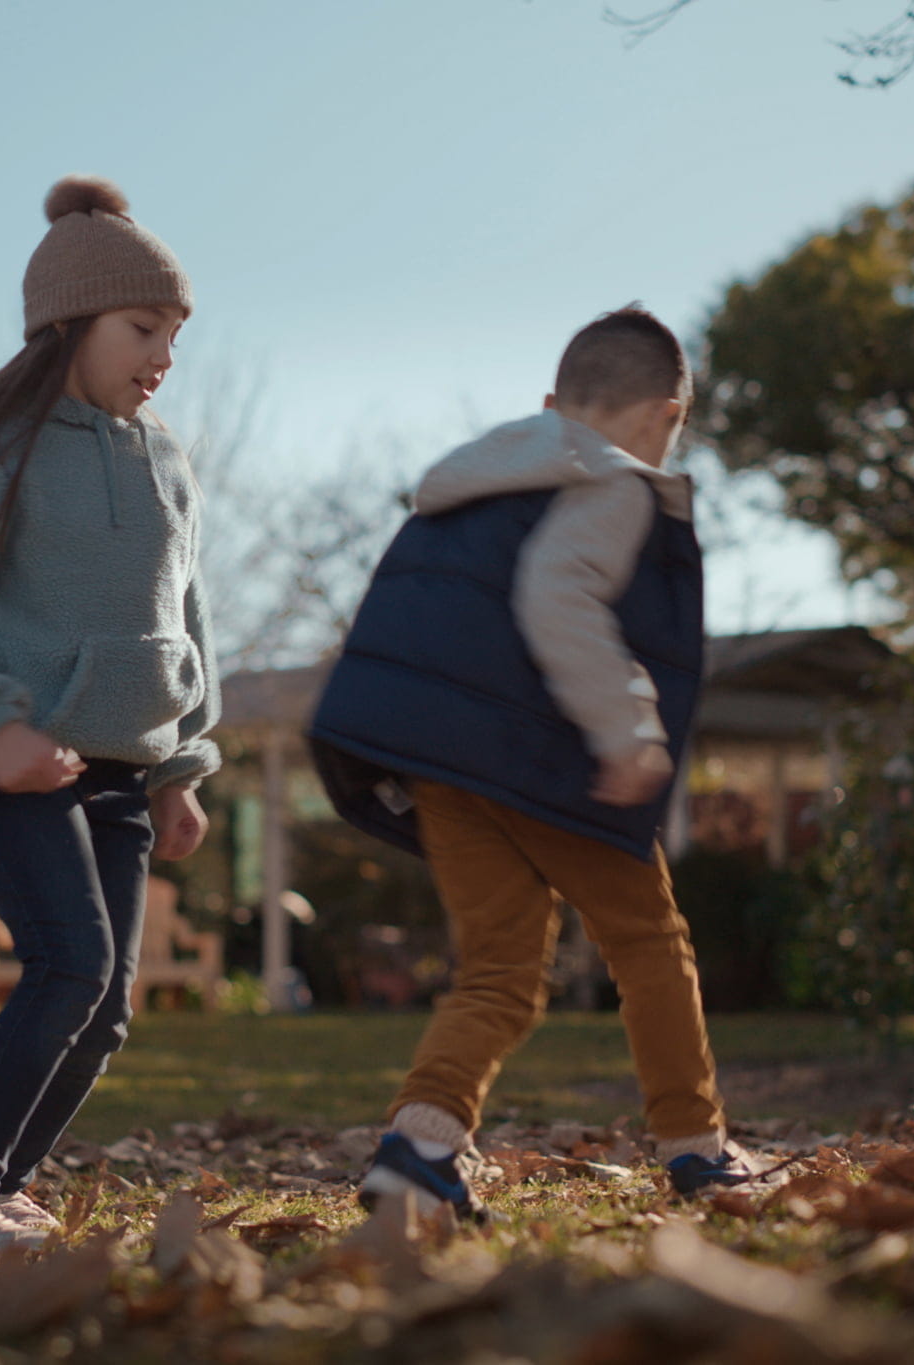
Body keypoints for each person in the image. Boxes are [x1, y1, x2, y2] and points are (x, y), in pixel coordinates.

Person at [308, 306, 746, 1221]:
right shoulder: (616, 484)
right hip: (553, 760)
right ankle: (697, 1145)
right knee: (648, 941)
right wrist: (628, 734)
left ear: (551, 404)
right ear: (668, 416)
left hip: (443, 766)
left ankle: (418, 1148)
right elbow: (560, 598)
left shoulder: (473, 484)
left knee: (499, 968)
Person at [0, 175, 219, 1252]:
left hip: (121, 766)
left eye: (173, 331)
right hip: (13, 761)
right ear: (67, 322)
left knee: (105, 1005)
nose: (162, 351)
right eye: (142, 326)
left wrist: (179, 771)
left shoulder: (165, 456)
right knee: (68, 966)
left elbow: (185, 617)